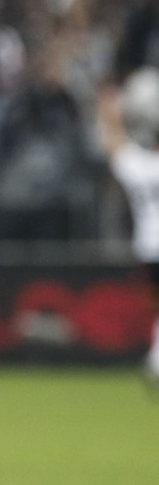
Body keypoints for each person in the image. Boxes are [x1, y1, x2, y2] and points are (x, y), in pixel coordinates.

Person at [96, 65, 159, 386]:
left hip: (147, 247)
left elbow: (115, 147)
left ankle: (156, 359)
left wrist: (109, 113)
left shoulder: (139, 166)